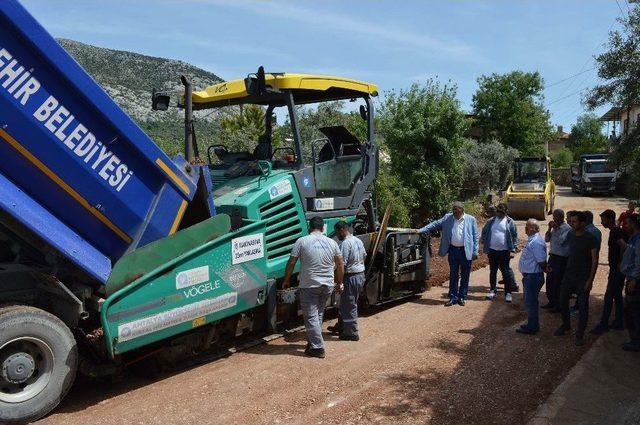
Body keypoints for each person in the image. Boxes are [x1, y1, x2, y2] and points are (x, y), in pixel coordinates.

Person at [282, 217, 344, 358]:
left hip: (310, 284)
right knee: (318, 313)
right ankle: (312, 342)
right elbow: (340, 264)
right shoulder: (332, 242)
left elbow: (292, 262)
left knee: (310, 316)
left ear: (309, 228)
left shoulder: (302, 241)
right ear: (323, 228)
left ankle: (318, 347)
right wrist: (340, 282)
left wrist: (286, 280)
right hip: (327, 284)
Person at [418, 201, 479, 307]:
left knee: (465, 274)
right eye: (453, 209)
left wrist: (475, 251)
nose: (454, 211)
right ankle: (453, 297)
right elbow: (435, 224)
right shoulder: (448, 218)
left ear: (462, 210)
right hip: (453, 250)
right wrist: (421, 230)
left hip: (466, 251)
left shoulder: (470, 219)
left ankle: (462, 297)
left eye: (456, 209)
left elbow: (475, 236)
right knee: (453, 274)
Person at [554, 211, 600, 346]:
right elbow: (564, 249)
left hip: (583, 277)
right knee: (562, 301)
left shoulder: (591, 238)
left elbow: (595, 260)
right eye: (571, 221)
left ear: (582, 223)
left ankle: (580, 333)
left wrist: (590, 281)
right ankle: (566, 325)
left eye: (574, 222)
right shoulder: (570, 234)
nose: (571, 223)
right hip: (569, 275)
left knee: (583, 306)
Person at [327, 221, 366, 341]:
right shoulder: (357, 240)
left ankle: (351, 333)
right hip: (360, 275)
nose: (337, 236)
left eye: (338, 233)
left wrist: (339, 281)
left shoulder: (345, 243)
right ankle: (342, 326)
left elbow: (341, 265)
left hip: (351, 276)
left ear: (342, 230)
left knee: (349, 304)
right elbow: (364, 255)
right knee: (346, 303)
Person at [591, 210, 628, 334]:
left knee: (608, 297)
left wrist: (620, 263)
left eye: (603, 219)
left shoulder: (615, 231)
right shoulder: (618, 230)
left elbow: (624, 246)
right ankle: (619, 321)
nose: (601, 222)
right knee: (617, 296)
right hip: (619, 270)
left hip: (617, 271)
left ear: (610, 219)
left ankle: (604, 324)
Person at [481, 203, 518, 302]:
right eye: (498, 211)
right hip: (492, 250)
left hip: (505, 251)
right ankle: (492, 290)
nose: (499, 214)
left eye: (502, 212)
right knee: (493, 271)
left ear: (506, 212)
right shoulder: (491, 221)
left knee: (505, 272)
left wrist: (513, 249)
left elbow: (515, 237)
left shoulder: (510, 222)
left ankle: (508, 292)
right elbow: (484, 231)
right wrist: (484, 240)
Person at [516, 219, 547, 335]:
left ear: (535, 229)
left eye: (528, 226)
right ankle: (531, 324)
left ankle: (533, 327)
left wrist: (545, 269)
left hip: (533, 277)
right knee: (530, 302)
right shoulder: (533, 240)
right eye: (526, 226)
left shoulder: (536, 242)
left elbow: (542, 262)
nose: (526, 228)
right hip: (530, 276)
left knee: (531, 303)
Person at [543, 209, 572, 312]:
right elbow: (547, 239)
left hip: (561, 259)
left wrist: (557, 228)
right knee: (550, 280)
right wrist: (549, 228)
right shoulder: (555, 227)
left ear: (561, 217)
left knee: (558, 282)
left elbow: (561, 241)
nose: (554, 219)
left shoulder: (567, 228)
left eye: (555, 217)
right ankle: (551, 302)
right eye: (553, 217)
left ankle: (559, 305)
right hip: (553, 257)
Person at [620, 215, 640, 351]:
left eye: (627, 223)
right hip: (631, 277)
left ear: (633, 224)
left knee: (633, 311)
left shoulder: (639, 240)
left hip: (635, 281)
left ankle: (636, 342)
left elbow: (639, 262)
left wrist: (634, 279)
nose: (625, 225)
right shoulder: (634, 238)